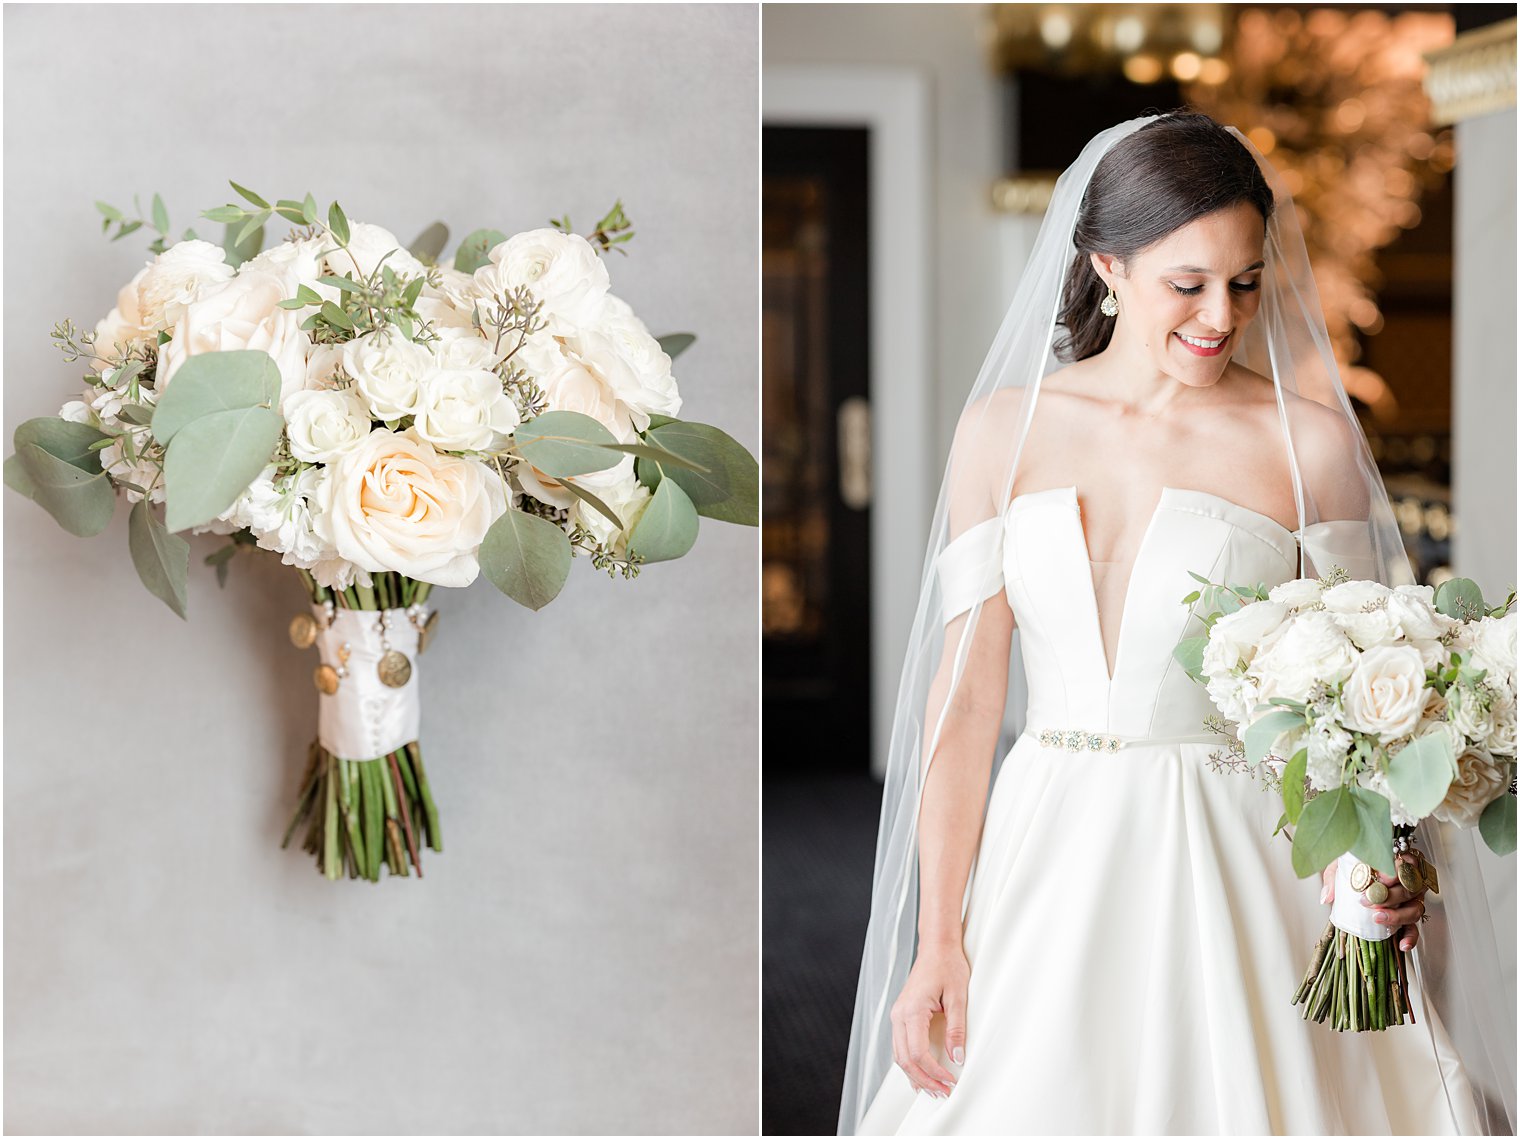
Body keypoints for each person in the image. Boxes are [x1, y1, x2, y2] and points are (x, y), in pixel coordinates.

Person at [839, 111, 1514, 1136]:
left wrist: (1377, 861)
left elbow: (1376, 685)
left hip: (1243, 857)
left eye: (1243, 281)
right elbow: (966, 702)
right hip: (1048, 845)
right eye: (1185, 284)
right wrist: (939, 938)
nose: (1219, 315)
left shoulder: (1306, 443)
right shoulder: (1000, 432)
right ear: (1106, 265)